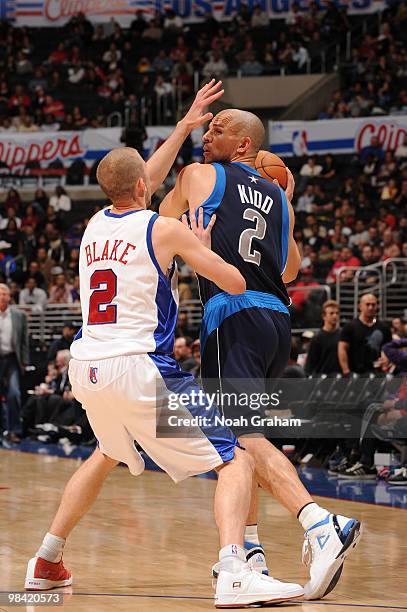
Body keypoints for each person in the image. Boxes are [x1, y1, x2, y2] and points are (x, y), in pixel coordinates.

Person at [25, 82, 303, 607]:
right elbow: (239, 282)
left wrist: (183, 126)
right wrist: (201, 247)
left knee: (106, 452)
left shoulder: (91, 227)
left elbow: (138, 181)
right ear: (143, 187)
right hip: (139, 372)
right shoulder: (163, 229)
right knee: (235, 457)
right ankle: (234, 570)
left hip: (87, 371)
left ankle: (47, 558)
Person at [159, 108, 362, 600]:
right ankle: (252, 553)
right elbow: (290, 269)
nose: (207, 134)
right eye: (207, 129)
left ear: (246, 145)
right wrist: (281, 206)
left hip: (231, 315)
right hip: (276, 321)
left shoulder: (196, 176)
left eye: (218, 129)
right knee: (242, 444)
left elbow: (150, 218)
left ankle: (318, 522)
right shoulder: (279, 196)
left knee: (239, 439)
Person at [0, 283, 29, 442]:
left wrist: (24, 361)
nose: (2, 296)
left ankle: (14, 430)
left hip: (12, 359)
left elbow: (24, 341)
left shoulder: (19, 316)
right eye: (0, 293)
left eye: (5, 293)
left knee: (14, 394)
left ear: (10, 296)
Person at [338, 293, 392, 375]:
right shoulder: (350, 327)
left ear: (377, 306)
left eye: (373, 305)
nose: (370, 307)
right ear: (360, 306)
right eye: (367, 304)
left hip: (378, 374)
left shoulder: (384, 328)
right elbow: (342, 348)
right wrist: (346, 371)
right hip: (356, 374)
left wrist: (386, 361)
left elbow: (389, 349)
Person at [305, 300, 341, 375]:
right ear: (324, 316)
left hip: (340, 379)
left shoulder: (343, 335)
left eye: (337, 313)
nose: (335, 316)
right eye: (331, 313)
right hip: (323, 380)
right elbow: (310, 363)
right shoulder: (317, 338)